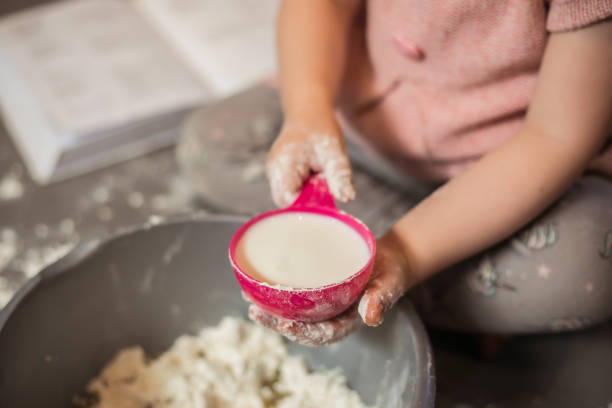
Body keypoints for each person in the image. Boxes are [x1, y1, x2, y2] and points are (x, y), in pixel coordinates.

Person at [247, 0, 612, 346]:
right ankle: (450, 286)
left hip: (506, 181)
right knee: (212, 144)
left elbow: (555, 137)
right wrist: (307, 108)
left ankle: (408, 272)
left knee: (592, 264)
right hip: (352, 141)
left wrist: (406, 255)